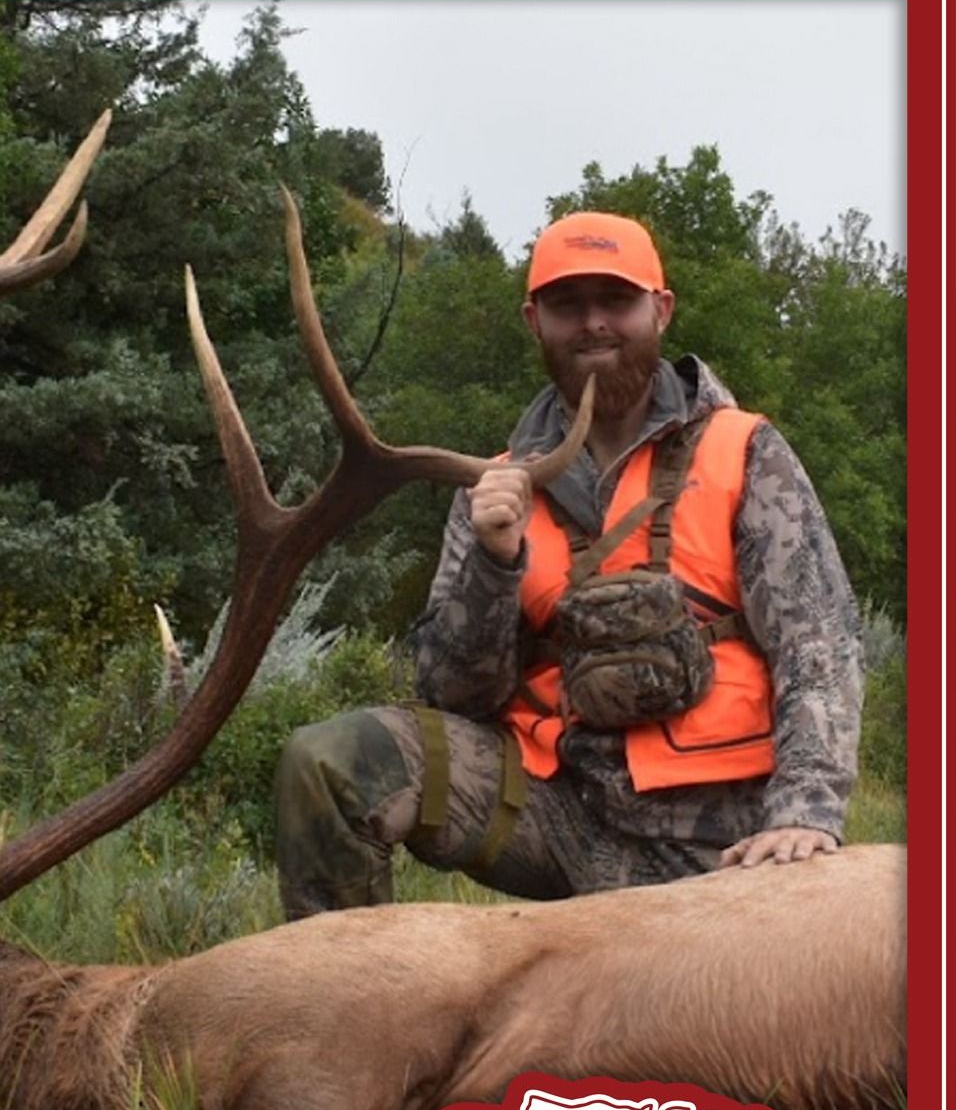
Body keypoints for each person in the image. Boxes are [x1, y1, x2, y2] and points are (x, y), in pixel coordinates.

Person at [274, 210, 863, 920]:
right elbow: (453, 697)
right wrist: (494, 563)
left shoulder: (746, 453)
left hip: (716, 829)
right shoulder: (492, 487)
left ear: (661, 309)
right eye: (567, 304)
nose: (593, 323)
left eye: (616, 300)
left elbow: (819, 646)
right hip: (557, 811)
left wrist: (804, 811)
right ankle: (343, 986)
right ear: (535, 321)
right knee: (333, 763)